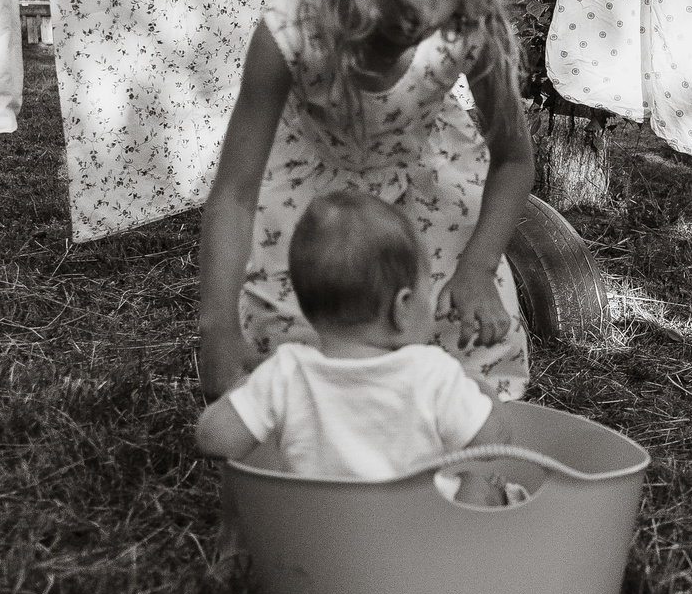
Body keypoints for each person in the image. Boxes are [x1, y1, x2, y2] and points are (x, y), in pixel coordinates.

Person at [198, 0, 534, 407]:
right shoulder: (294, 27)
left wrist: (478, 266)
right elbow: (234, 193)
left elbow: (512, 162)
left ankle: (453, 454)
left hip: (423, 189)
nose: (421, 11)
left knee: (458, 343)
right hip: (310, 201)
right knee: (306, 357)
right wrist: (216, 331)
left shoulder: (472, 28)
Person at [196, 191, 516, 482]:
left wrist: (245, 384)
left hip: (318, 540)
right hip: (421, 536)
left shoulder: (285, 373)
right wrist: (480, 387)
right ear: (402, 306)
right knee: (484, 485)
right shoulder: (435, 374)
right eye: (426, 294)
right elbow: (491, 445)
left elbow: (213, 439)